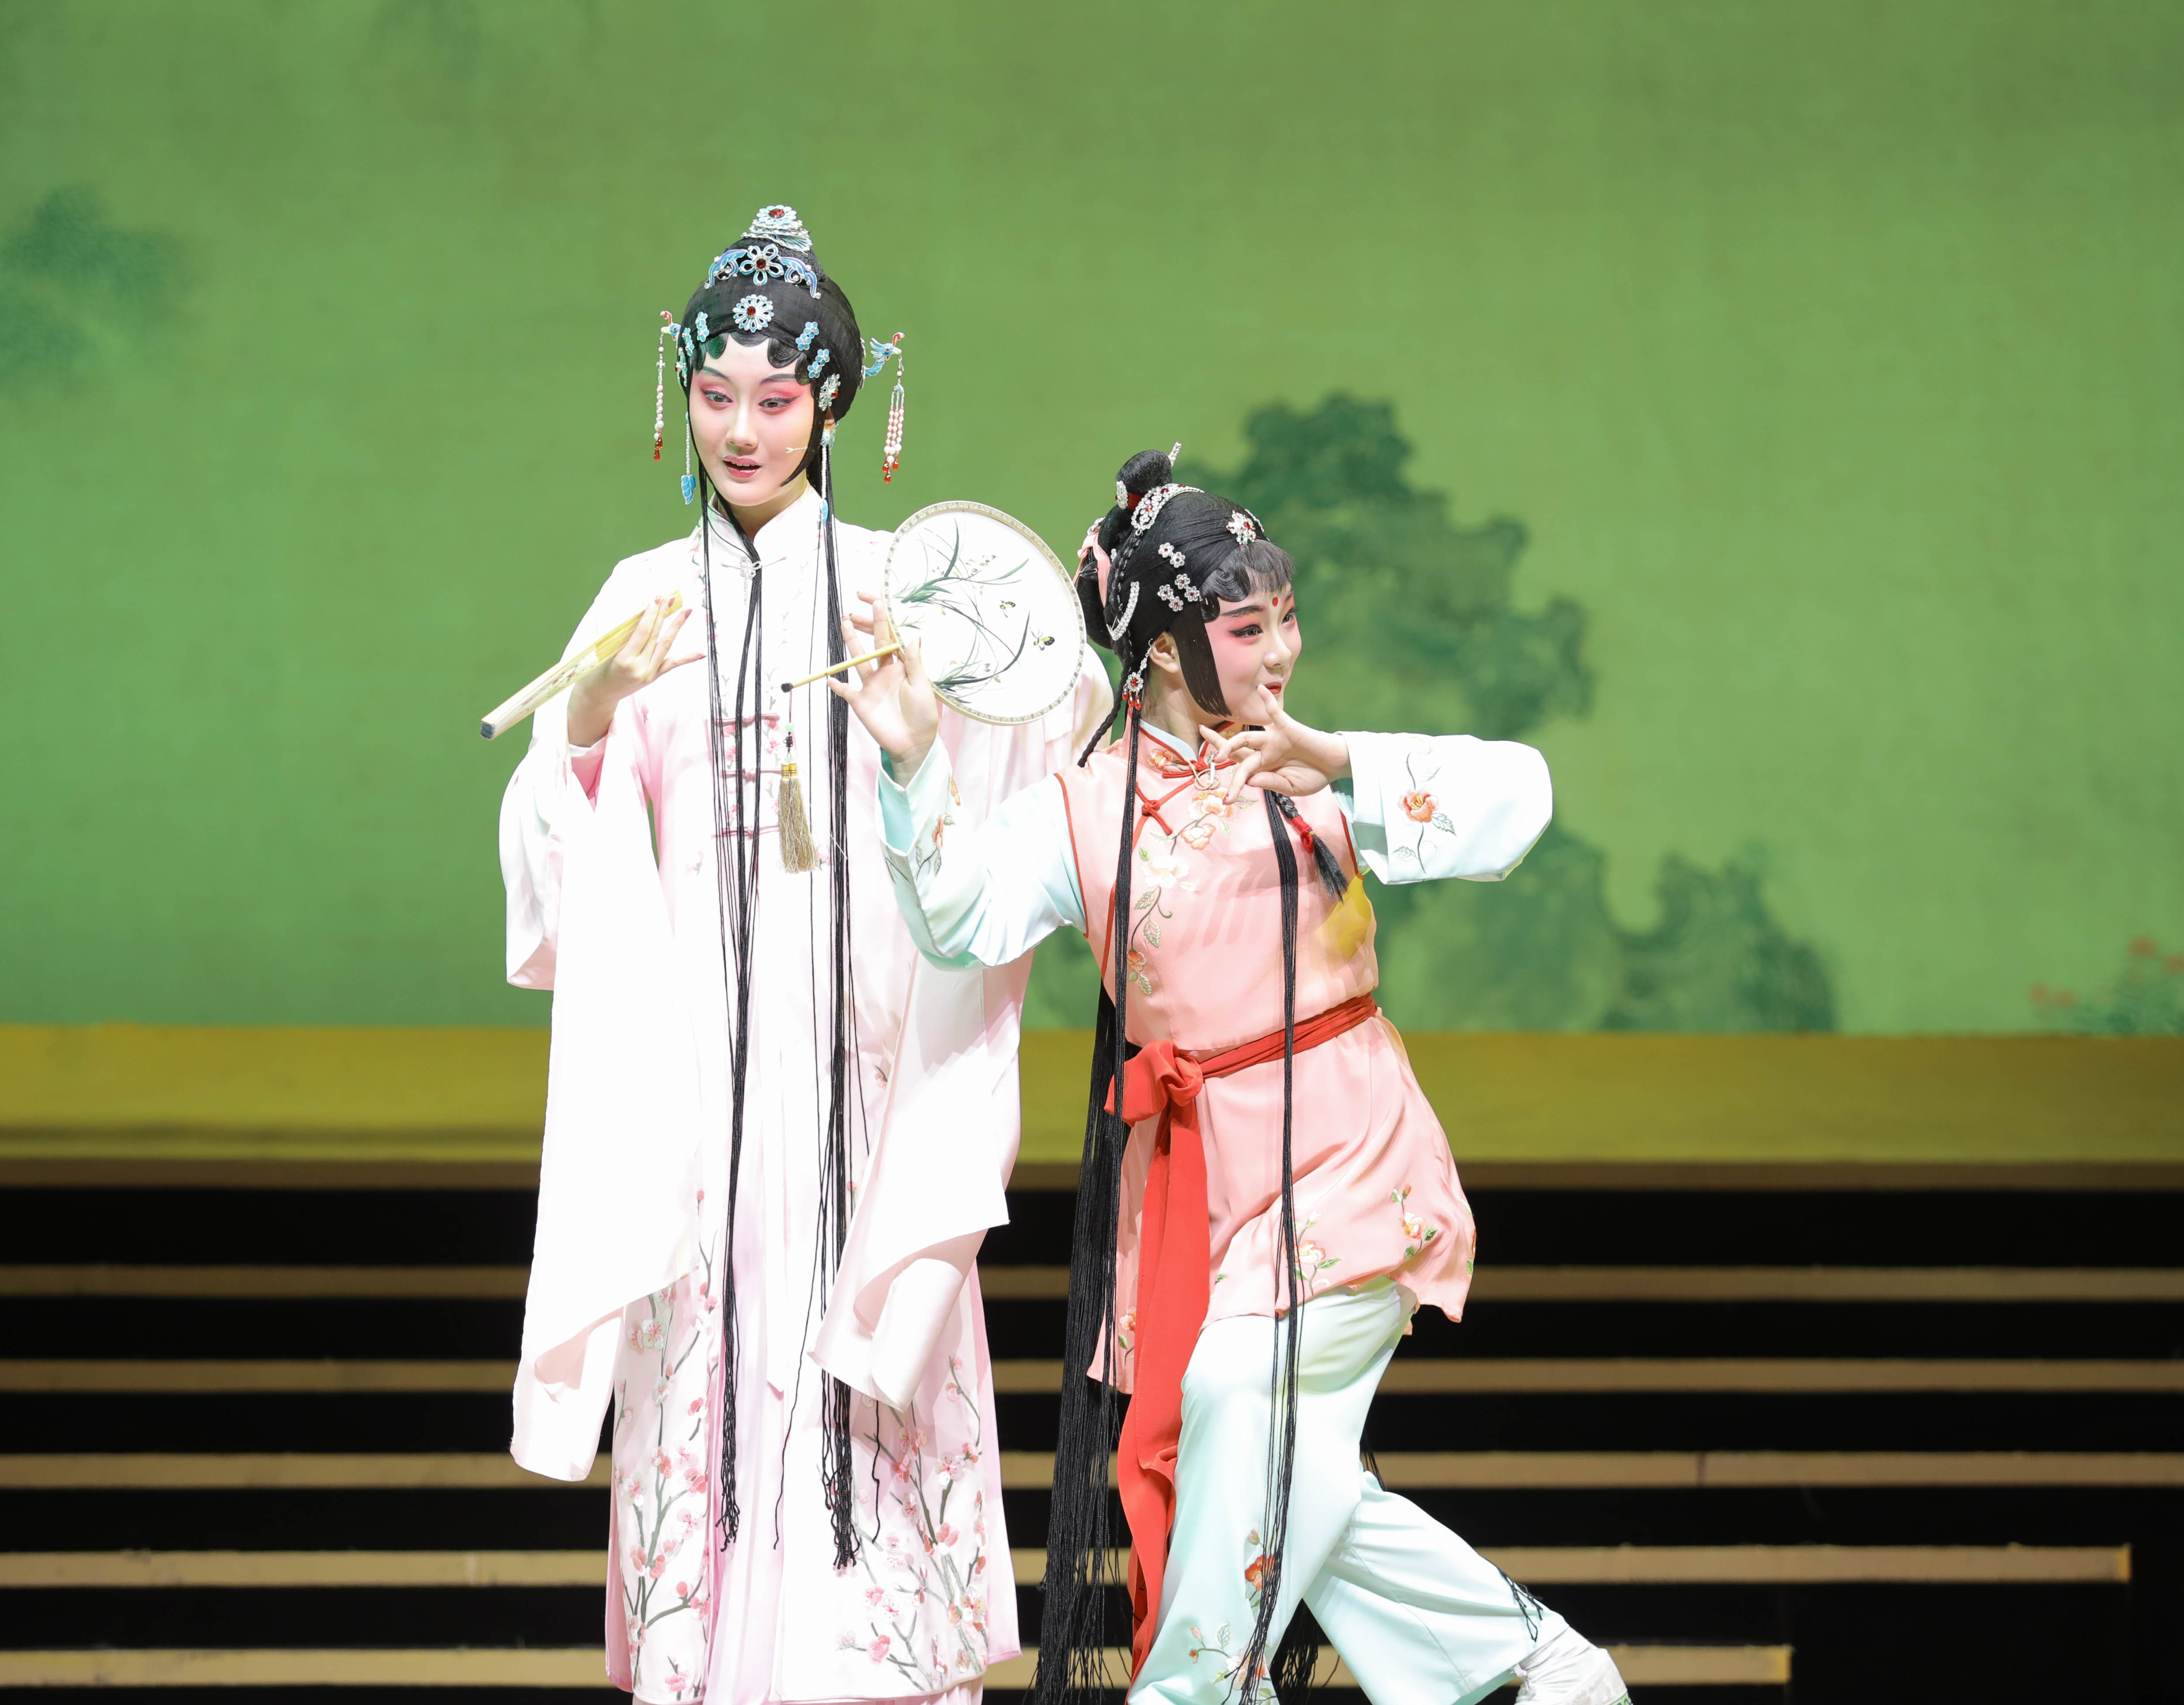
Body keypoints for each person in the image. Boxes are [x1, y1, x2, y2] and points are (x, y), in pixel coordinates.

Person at [833, 449, 1630, 1705]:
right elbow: (957, 918)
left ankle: (1191, 1695)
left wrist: (1344, 760)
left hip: (1352, 1160)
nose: (1283, 653)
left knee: (1235, 1395)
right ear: (1160, 647)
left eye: (1287, 620)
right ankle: (1543, 1664)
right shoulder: (1085, 808)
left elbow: (1519, 801)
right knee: (1275, 1472)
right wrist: (915, 760)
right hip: (1206, 1197)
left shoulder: (1302, 771)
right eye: (1248, 628)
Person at [497, 205, 1108, 1704]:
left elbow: (1055, 730)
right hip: (700, 1071)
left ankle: (874, 1663)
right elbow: (550, 849)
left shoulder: (902, 586)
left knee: (864, 1365)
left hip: (868, 1057)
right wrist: (589, 725)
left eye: (776, 400)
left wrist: (938, 721)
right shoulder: (639, 594)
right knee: (705, 1366)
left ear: (834, 403)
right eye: (716, 396)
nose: (742, 430)